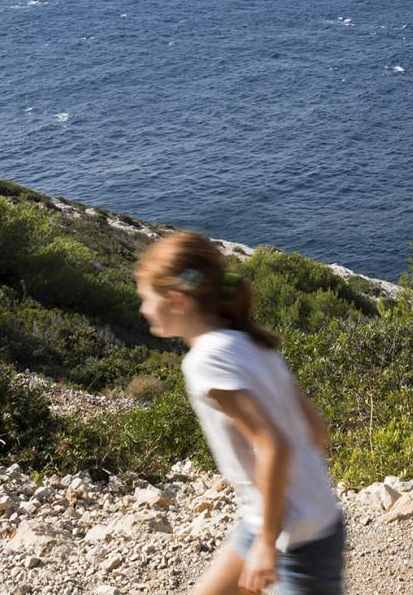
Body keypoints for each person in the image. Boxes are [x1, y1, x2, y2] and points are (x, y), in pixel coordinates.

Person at [135, 232, 344, 595]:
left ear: (178, 301)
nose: (142, 309)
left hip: (295, 537)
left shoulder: (205, 361)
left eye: (147, 299)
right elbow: (316, 430)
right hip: (280, 517)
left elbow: (273, 445)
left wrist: (268, 542)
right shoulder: (255, 344)